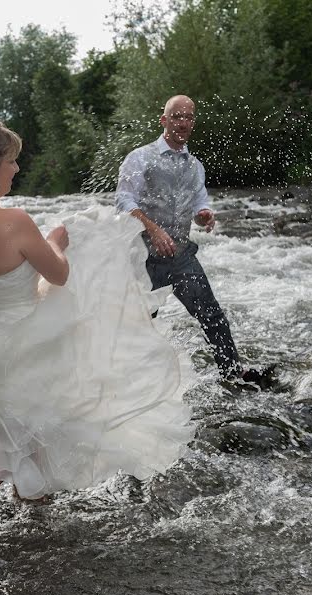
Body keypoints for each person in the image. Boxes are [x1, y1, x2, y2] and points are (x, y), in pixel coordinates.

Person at [0, 110, 195, 537]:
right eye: (13, 162)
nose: (17, 169)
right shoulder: (14, 221)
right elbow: (58, 274)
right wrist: (55, 241)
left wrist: (1, 285)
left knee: (23, 428)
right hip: (22, 342)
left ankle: (34, 509)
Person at [116, 94, 271, 386]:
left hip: (181, 256)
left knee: (213, 317)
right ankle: (128, 387)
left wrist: (204, 217)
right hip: (144, 259)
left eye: (189, 117)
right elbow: (123, 202)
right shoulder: (140, 158)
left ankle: (233, 375)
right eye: (177, 116)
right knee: (140, 326)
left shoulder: (195, 167)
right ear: (164, 120)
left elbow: (200, 204)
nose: (183, 122)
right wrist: (153, 228)